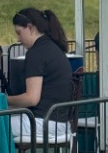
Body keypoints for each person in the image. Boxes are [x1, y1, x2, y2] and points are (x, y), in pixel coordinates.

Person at [6, 8, 74, 144]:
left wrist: (5, 99)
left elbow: (31, 99)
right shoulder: (54, 48)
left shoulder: (36, 54)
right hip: (61, 122)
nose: (18, 39)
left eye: (19, 33)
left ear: (30, 28)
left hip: (43, 123)